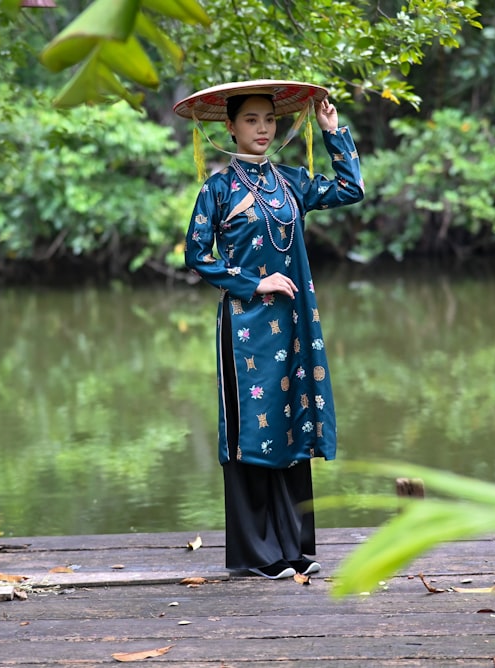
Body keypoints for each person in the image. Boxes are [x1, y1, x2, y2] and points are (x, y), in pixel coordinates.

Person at [173, 80, 365, 579]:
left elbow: (350, 189)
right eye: (251, 120)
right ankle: (257, 555)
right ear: (231, 127)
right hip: (245, 326)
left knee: (291, 421)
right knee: (252, 431)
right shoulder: (218, 189)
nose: (262, 129)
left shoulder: (292, 183)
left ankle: (294, 547)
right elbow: (197, 256)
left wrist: (332, 132)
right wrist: (254, 283)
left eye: (269, 119)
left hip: (293, 324)